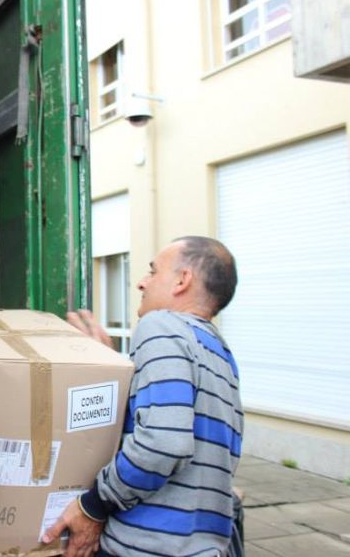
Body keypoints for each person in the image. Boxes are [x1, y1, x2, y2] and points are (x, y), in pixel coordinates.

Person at [42, 236, 242, 557]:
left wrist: (93, 505)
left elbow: (164, 442)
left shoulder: (159, 325)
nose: (141, 283)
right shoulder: (220, 352)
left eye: (153, 271)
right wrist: (110, 366)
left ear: (182, 280)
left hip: (145, 547)